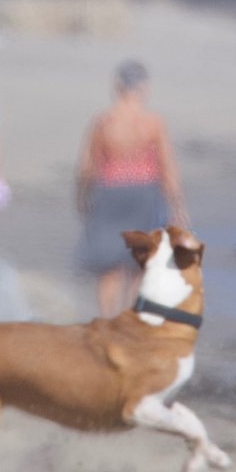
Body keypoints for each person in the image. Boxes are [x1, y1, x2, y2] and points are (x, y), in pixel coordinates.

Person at [74, 60, 189, 318]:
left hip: (110, 192)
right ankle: (129, 320)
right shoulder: (152, 123)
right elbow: (167, 167)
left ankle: (108, 321)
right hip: (144, 193)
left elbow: (86, 167)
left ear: (118, 86)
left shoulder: (104, 122)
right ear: (144, 87)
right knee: (139, 263)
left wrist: (81, 198)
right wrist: (178, 206)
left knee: (109, 266)